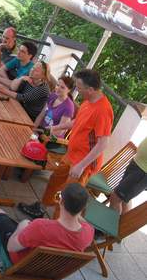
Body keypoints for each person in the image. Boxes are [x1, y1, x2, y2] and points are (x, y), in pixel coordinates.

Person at [20, 69, 114, 217]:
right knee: (54, 182)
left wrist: (81, 166)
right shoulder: (88, 101)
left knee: (68, 196)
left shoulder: (103, 111)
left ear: (90, 89)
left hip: (84, 163)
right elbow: (77, 121)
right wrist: (55, 127)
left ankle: (56, 227)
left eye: (79, 87)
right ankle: (41, 208)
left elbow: (102, 144)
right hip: (71, 154)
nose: (77, 90)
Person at [0, 183, 94, 264]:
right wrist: (76, 211)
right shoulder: (89, 232)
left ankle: (2, 261)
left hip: (21, 265)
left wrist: (21, 227)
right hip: (48, 272)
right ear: (83, 208)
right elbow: (81, 223)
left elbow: (11, 247)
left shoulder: (40, 226)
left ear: (61, 202)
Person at [109, 137, 147, 214]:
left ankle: (107, 224)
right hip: (137, 162)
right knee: (124, 200)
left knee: (115, 198)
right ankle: (121, 224)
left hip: (143, 171)